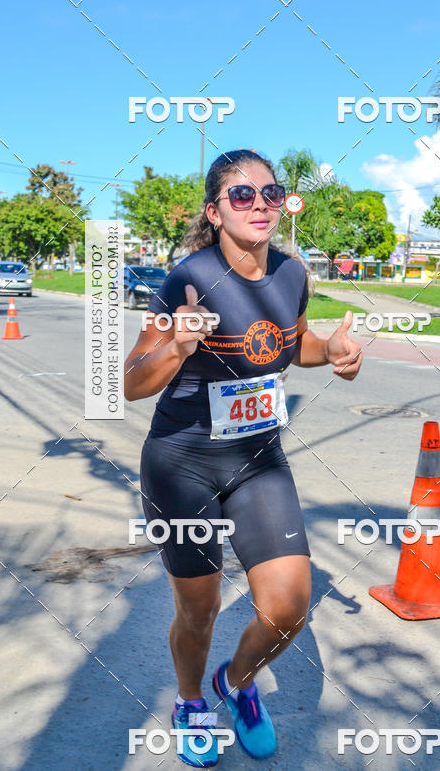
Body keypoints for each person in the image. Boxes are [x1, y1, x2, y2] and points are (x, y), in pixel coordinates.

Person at [124, 149, 362, 766]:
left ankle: (236, 682)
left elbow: (293, 343)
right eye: (242, 195)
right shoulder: (187, 278)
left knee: (287, 607)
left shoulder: (292, 273)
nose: (260, 204)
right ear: (215, 210)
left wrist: (331, 348)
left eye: (271, 193)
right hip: (182, 463)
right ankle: (188, 700)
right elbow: (130, 381)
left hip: (258, 461)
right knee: (198, 607)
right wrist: (176, 346)